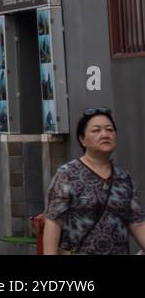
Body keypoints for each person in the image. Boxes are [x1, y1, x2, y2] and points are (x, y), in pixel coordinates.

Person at [43, 108, 145, 255]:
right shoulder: (68, 174)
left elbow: (138, 223)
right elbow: (53, 222)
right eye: (96, 130)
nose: (105, 134)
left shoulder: (123, 177)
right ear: (82, 139)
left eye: (110, 130)